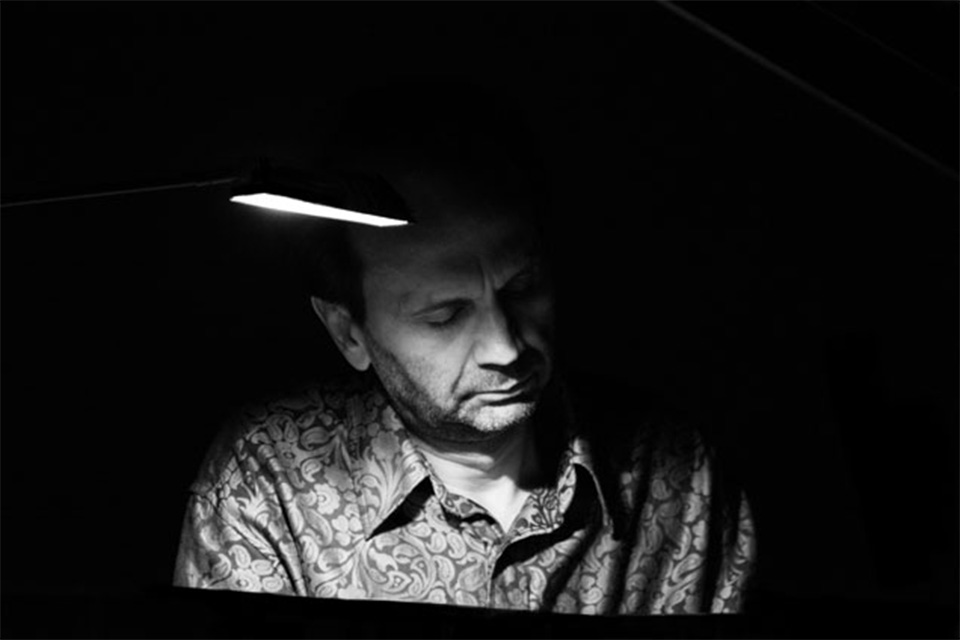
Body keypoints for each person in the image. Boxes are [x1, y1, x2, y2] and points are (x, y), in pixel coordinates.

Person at [173, 81, 756, 614]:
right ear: (349, 332)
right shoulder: (271, 477)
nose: (505, 346)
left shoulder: (674, 470)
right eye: (446, 315)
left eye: (522, 287)